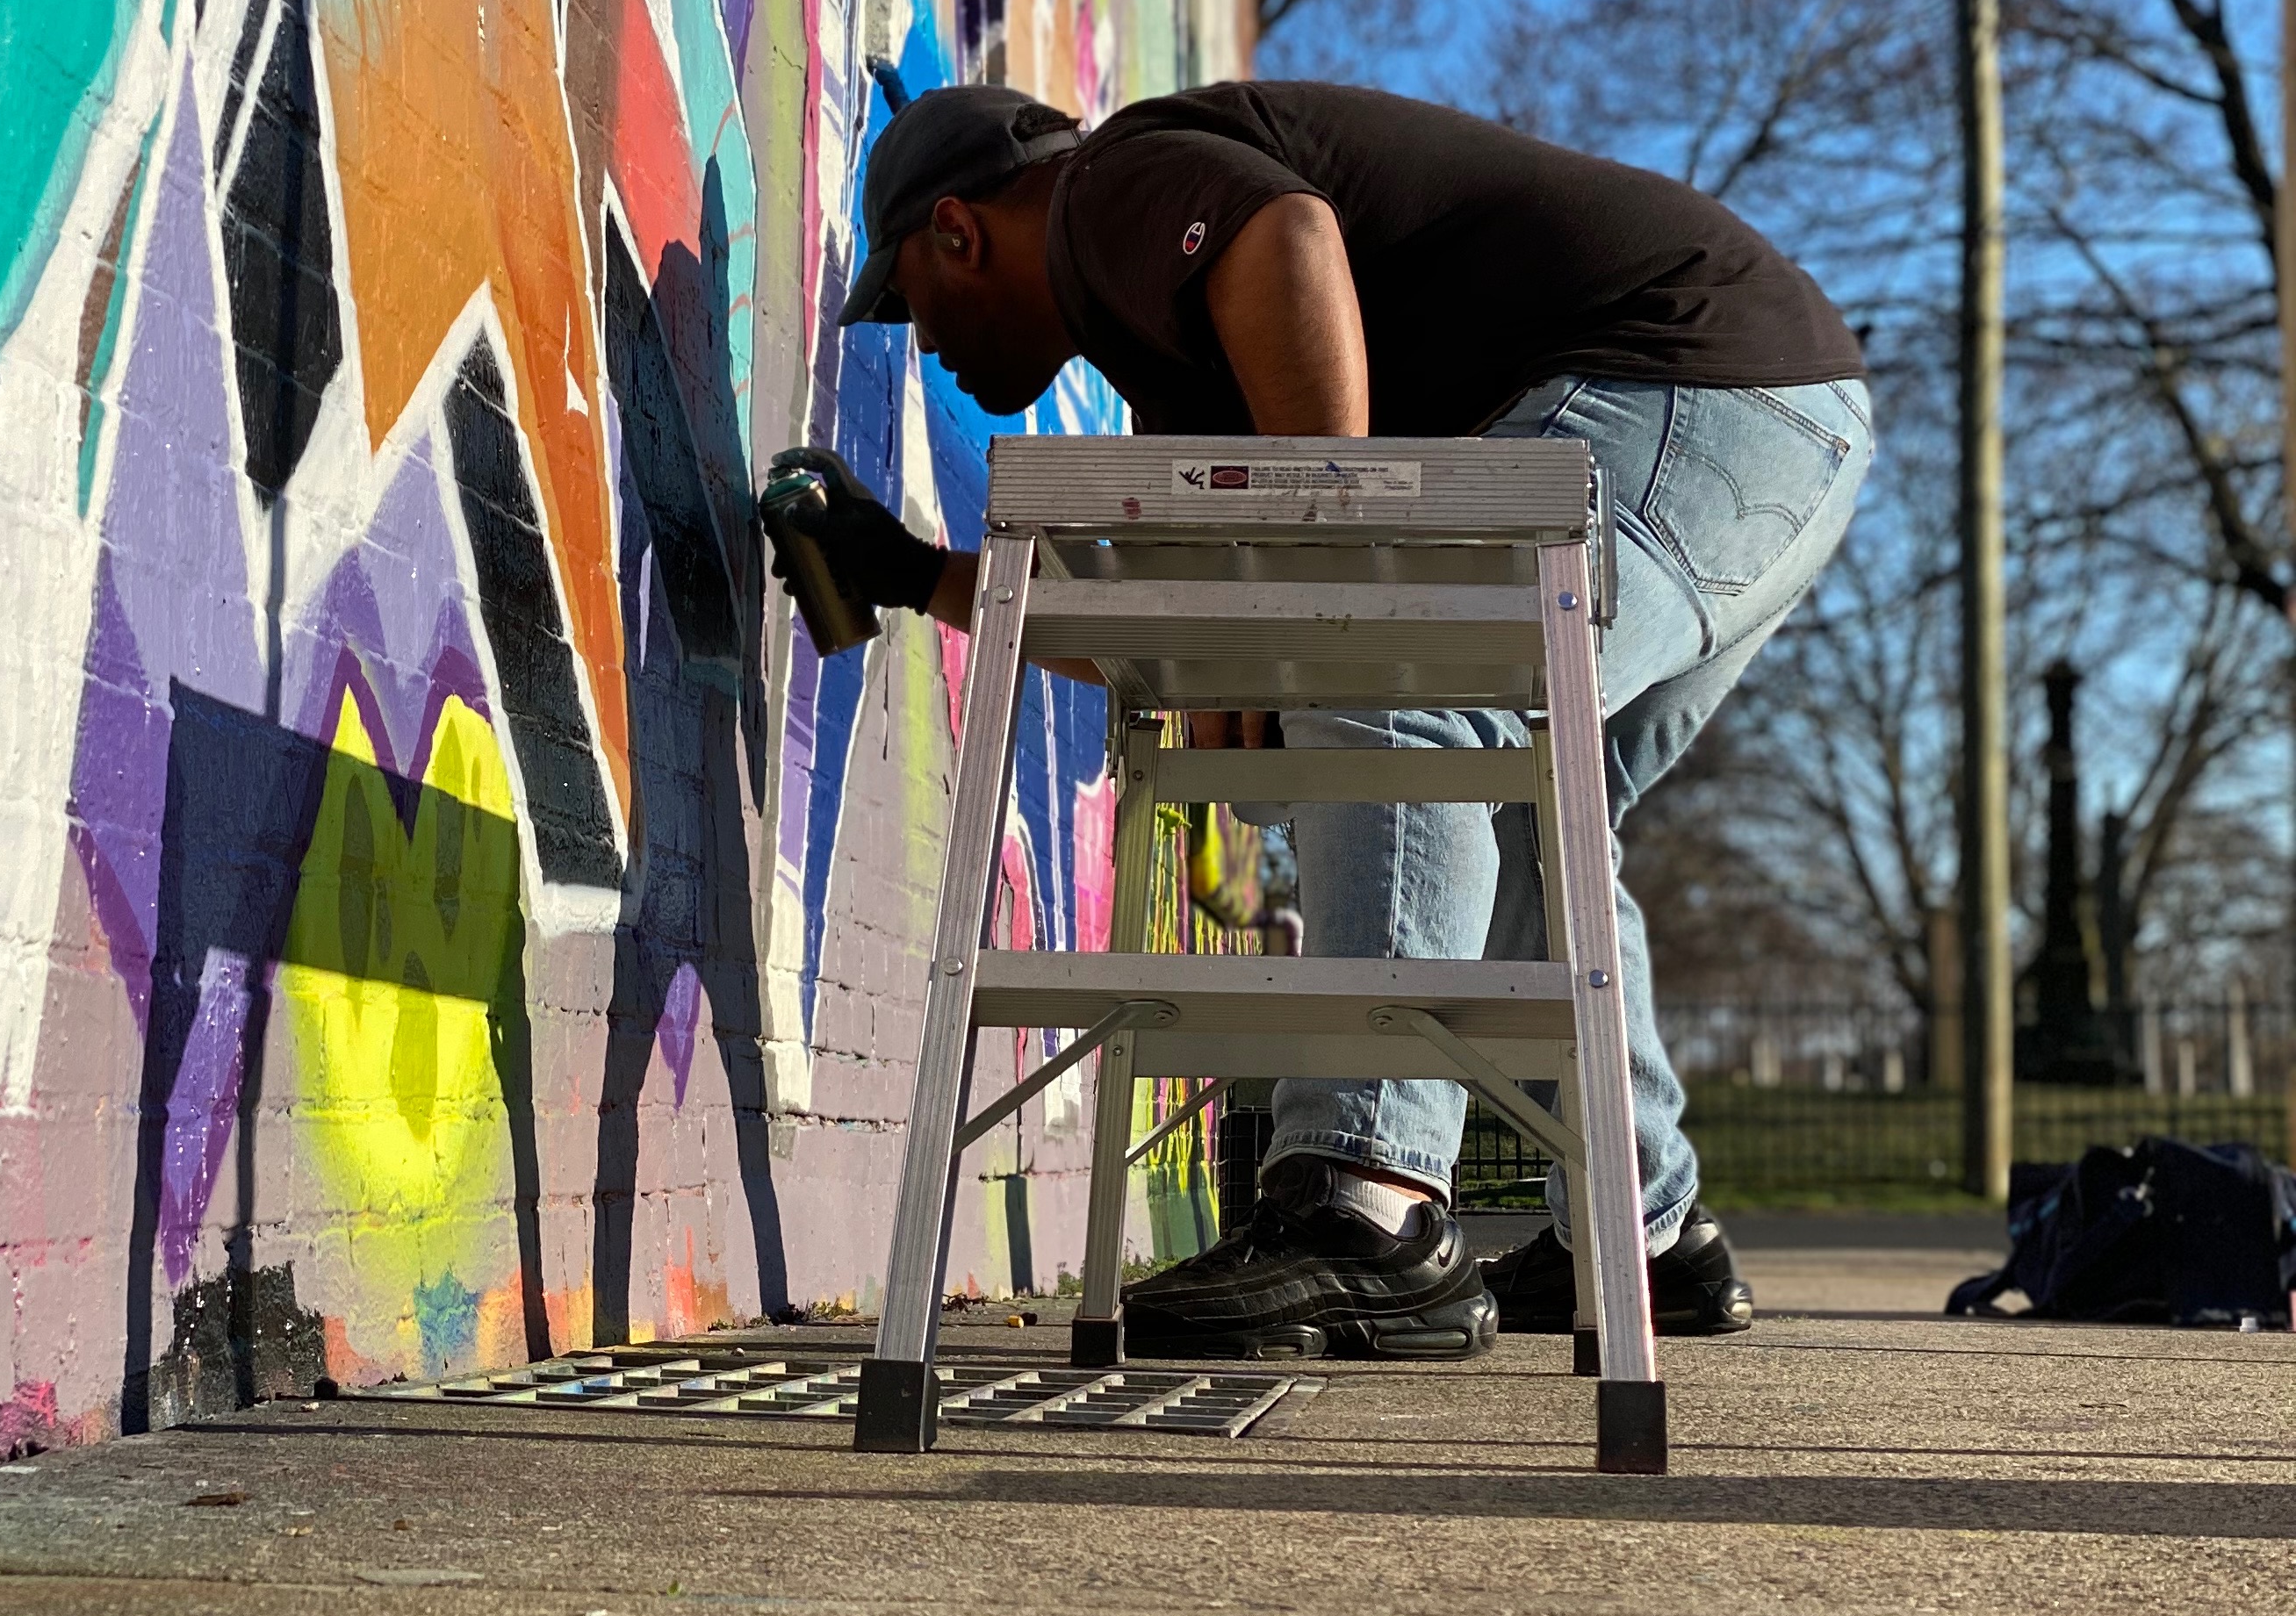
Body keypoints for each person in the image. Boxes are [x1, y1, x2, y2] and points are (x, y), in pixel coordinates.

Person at [779, 77, 1871, 1360]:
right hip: (1765, 413)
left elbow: (1286, 232)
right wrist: (914, 575)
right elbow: (1163, 631)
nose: (920, 342)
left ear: (959, 231)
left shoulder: (1110, 187)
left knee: (1404, 673)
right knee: (1521, 811)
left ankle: (1367, 1203)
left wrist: (1325, 595)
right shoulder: (1178, 359)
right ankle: (1644, 1232)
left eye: (907, 299)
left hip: (1682, 389)